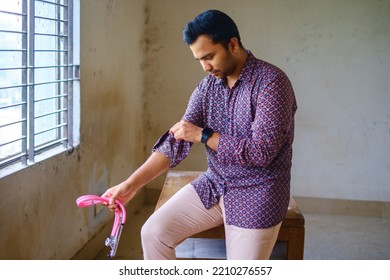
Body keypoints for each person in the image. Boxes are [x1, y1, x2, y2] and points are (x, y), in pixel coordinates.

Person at [102, 9, 297, 260]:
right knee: (153, 232)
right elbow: (176, 140)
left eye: (210, 57)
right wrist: (131, 185)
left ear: (233, 44)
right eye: (199, 60)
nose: (205, 67)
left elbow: (262, 152)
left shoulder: (272, 82)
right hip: (215, 183)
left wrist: (204, 135)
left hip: (258, 191)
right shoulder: (208, 87)